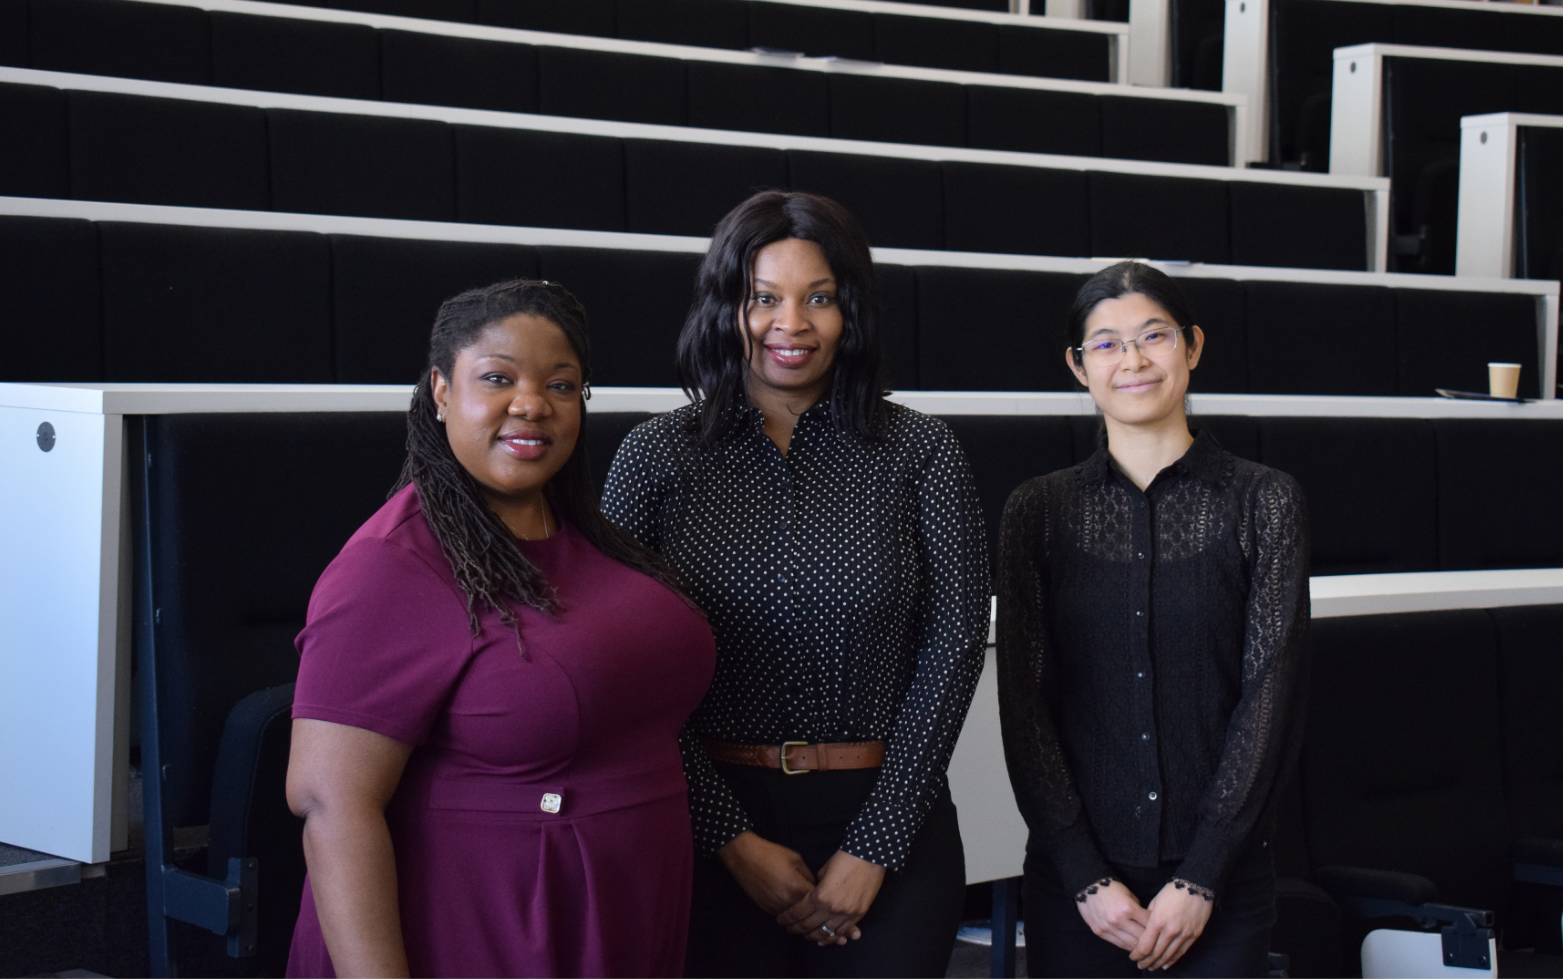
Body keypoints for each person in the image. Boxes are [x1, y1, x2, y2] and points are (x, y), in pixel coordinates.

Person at [601, 191, 990, 978]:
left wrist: (874, 847)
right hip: (706, 823)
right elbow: (621, 669)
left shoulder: (923, 451)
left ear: (852, 309)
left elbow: (952, 648)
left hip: (891, 820)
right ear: (725, 308)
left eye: (820, 298)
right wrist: (732, 844)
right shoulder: (653, 456)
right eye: (763, 299)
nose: (793, 324)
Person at [284, 279, 715, 978]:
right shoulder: (391, 567)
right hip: (482, 928)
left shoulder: (590, 536)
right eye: (497, 378)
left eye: (562, 384)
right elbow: (331, 805)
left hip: (625, 910)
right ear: (441, 390)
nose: (532, 404)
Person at [996, 261, 1310, 978]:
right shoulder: (1037, 511)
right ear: (1078, 367)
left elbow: (1271, 693)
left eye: (1152, 337)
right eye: (1104, 344)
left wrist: (1201, 875)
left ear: (1191, 346)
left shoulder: (1264, 502)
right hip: (1078, 888)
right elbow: (1023, 704)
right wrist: (1082, 873)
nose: (1131, 360)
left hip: (1219, 885)